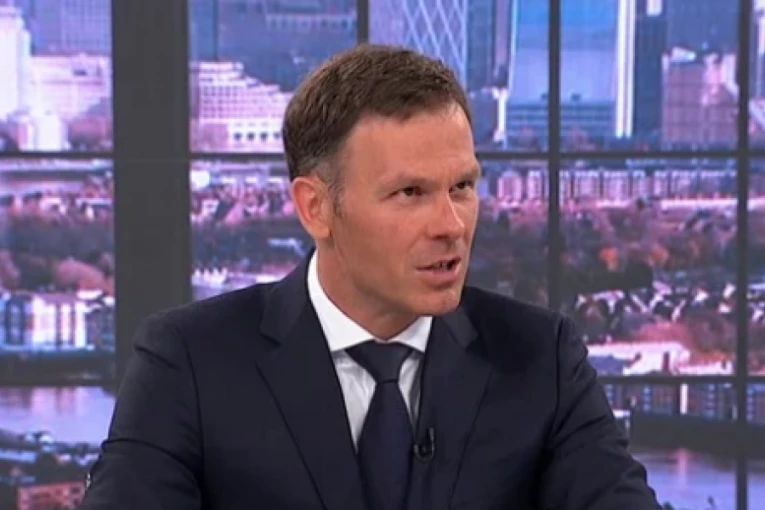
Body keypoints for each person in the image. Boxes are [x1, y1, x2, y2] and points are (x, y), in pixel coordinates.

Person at [79, 44, 661, 510]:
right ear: (316, 208)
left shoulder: (541, 358)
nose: (451, 224)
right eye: (410, 193)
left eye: (462, 186)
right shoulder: (190, 362)